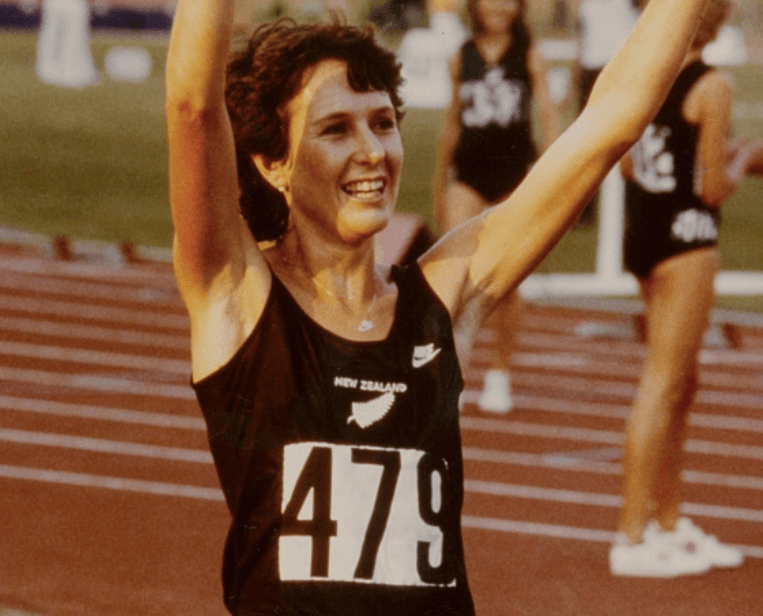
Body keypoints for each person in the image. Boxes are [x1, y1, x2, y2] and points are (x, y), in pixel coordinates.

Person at [164, 0, 712, 611]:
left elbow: (612, 121)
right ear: (274, 164)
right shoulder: (237, 295)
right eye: (335, 129)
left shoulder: (440, 300)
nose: (372, 150)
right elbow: (193, 107)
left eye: (382, 123)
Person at [609, 0, 763, 578]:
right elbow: (710, 189)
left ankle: (669, 522)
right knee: (662, 385)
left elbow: (630, 165)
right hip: (688, 243)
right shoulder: (713, 85)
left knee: (681, 382)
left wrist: (719, 158)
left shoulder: (643, 78)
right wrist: (747, 157)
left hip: (644, 237)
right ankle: (631, 537)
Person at [431, 0, 560, 413]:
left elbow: (547, 114)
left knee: (507, 280)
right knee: (452, 272)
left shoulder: (530, 55)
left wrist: (551, 170)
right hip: (468, 174)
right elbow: (452, 121)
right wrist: (439, 184)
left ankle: (500, 372)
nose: (498, 7)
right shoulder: (461, 56)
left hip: (513, 176)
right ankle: (448, 370)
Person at [570, 0, 640, 228]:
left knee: (627, 143)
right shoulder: (586, 5)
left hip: (622, 68)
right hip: (591, 72)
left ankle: (632, 208)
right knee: (586, 146)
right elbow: (582, 40)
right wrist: (575, 76)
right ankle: (584, 211)